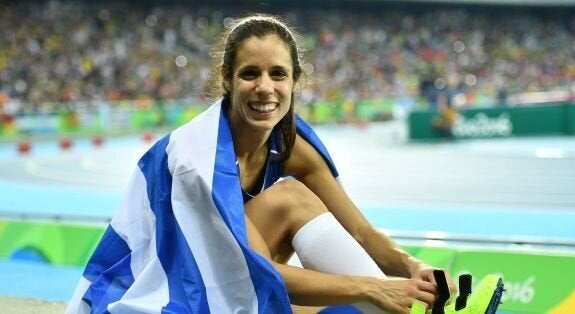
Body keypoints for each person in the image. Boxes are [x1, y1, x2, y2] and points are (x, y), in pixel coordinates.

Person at [66, 14, 456, 314]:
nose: (265, 88)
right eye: (249, 74)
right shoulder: (195, 161)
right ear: (227, 79)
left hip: (217, 287)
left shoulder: (290, 145)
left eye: (278, 74)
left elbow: (361, 234)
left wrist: (412, 267)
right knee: (292, 202)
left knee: (342, 296)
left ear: (295, 82)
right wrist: (373, 287)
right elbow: (252, 270)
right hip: (159, 295)